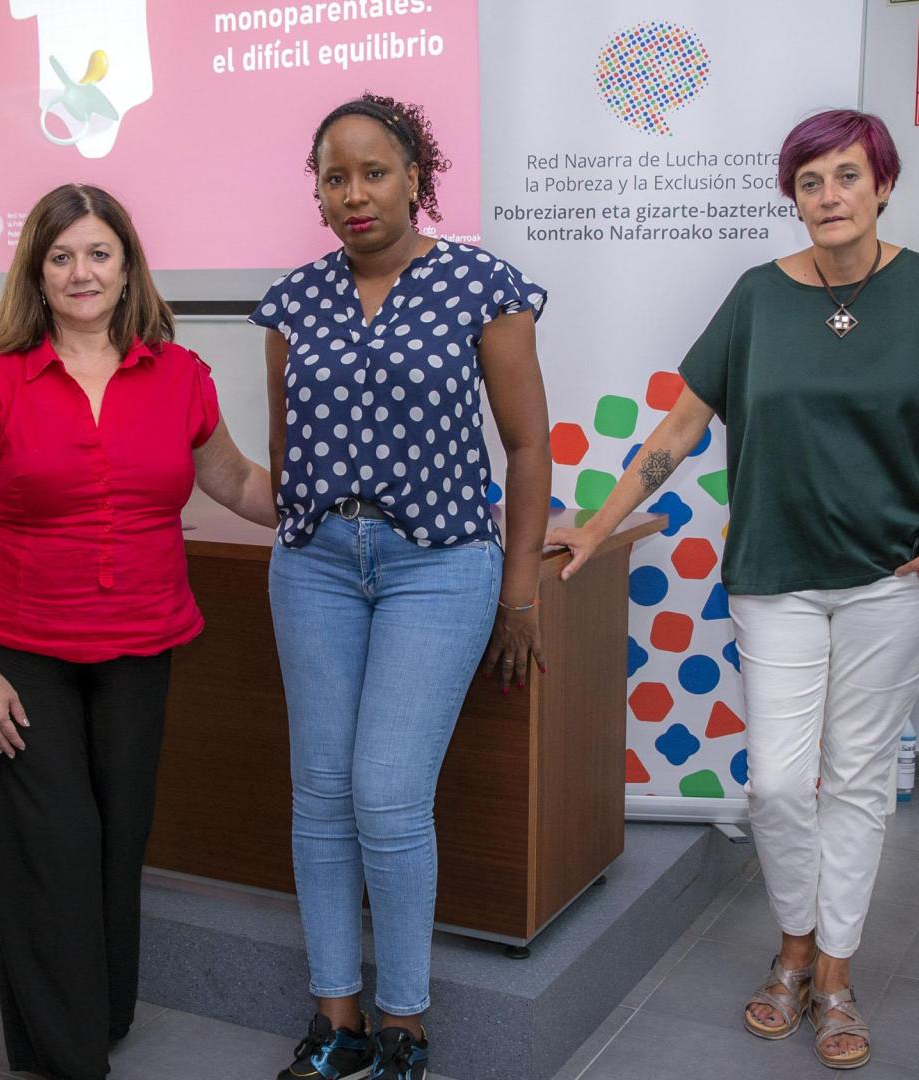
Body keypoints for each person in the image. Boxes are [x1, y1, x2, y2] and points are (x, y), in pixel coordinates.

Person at [548, 109, 919, 1069]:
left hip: (898, 576)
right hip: (774, 573)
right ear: (790, 195)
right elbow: (679, 430)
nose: (829, 196)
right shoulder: (758, 297)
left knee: (860, 778)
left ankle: (824, 968)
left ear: (883, 184)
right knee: (782, 781)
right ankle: (795, 936)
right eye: (810, 180)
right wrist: (595, 524)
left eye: (847, 176)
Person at [0, 182, 275, 1080]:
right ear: (36, 275)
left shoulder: (180, 376)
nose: (81, 272)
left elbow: (237, 482)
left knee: (119, 846)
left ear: (127, 268)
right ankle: (66, 1055)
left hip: (140, 649)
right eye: (61, 256)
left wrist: (361, 496)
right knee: (54, 854)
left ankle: (101, 1015)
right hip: (24, 656)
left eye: (98, 254)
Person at [254, 93, 552, 1080]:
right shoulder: (293, 302)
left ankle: (405, 1024)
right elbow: (287, 456)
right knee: (322, 795)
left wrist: (520, 593)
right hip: (317, 566)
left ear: (419, 175)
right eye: (334, 177)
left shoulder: (482, 284)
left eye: (374, 171)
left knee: (386, 795)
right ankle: (334, 1021)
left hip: (440, 564)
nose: (354, 194)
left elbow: (525, 446)